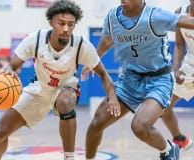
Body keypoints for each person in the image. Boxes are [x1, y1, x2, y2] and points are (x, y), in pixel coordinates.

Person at [0, 0, 118, 160]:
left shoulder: (81, 45)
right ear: (51, 22)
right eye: (61, 23)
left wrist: (112, 97)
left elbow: (104, 74)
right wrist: (9, 72)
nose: (66, 29)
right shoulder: (36, 39)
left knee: (64, 101)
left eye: (71, 25)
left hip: (66, 89)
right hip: (39, 90)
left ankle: (69, 157)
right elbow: (13, 65)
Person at [83, 0, 194, 160]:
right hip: (130, 79)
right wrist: (94, 58)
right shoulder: (113, 16)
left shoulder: (156, 15)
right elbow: (108, 39)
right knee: (96, 124)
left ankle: (168, 149)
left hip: (159, 80)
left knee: (139, 126)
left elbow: (188, 21)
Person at [162, 0, 194, 151]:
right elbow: (180, 46)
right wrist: (176, 70)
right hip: (189, 65)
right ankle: (180, 139)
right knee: (163, 106)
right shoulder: (180, 13)